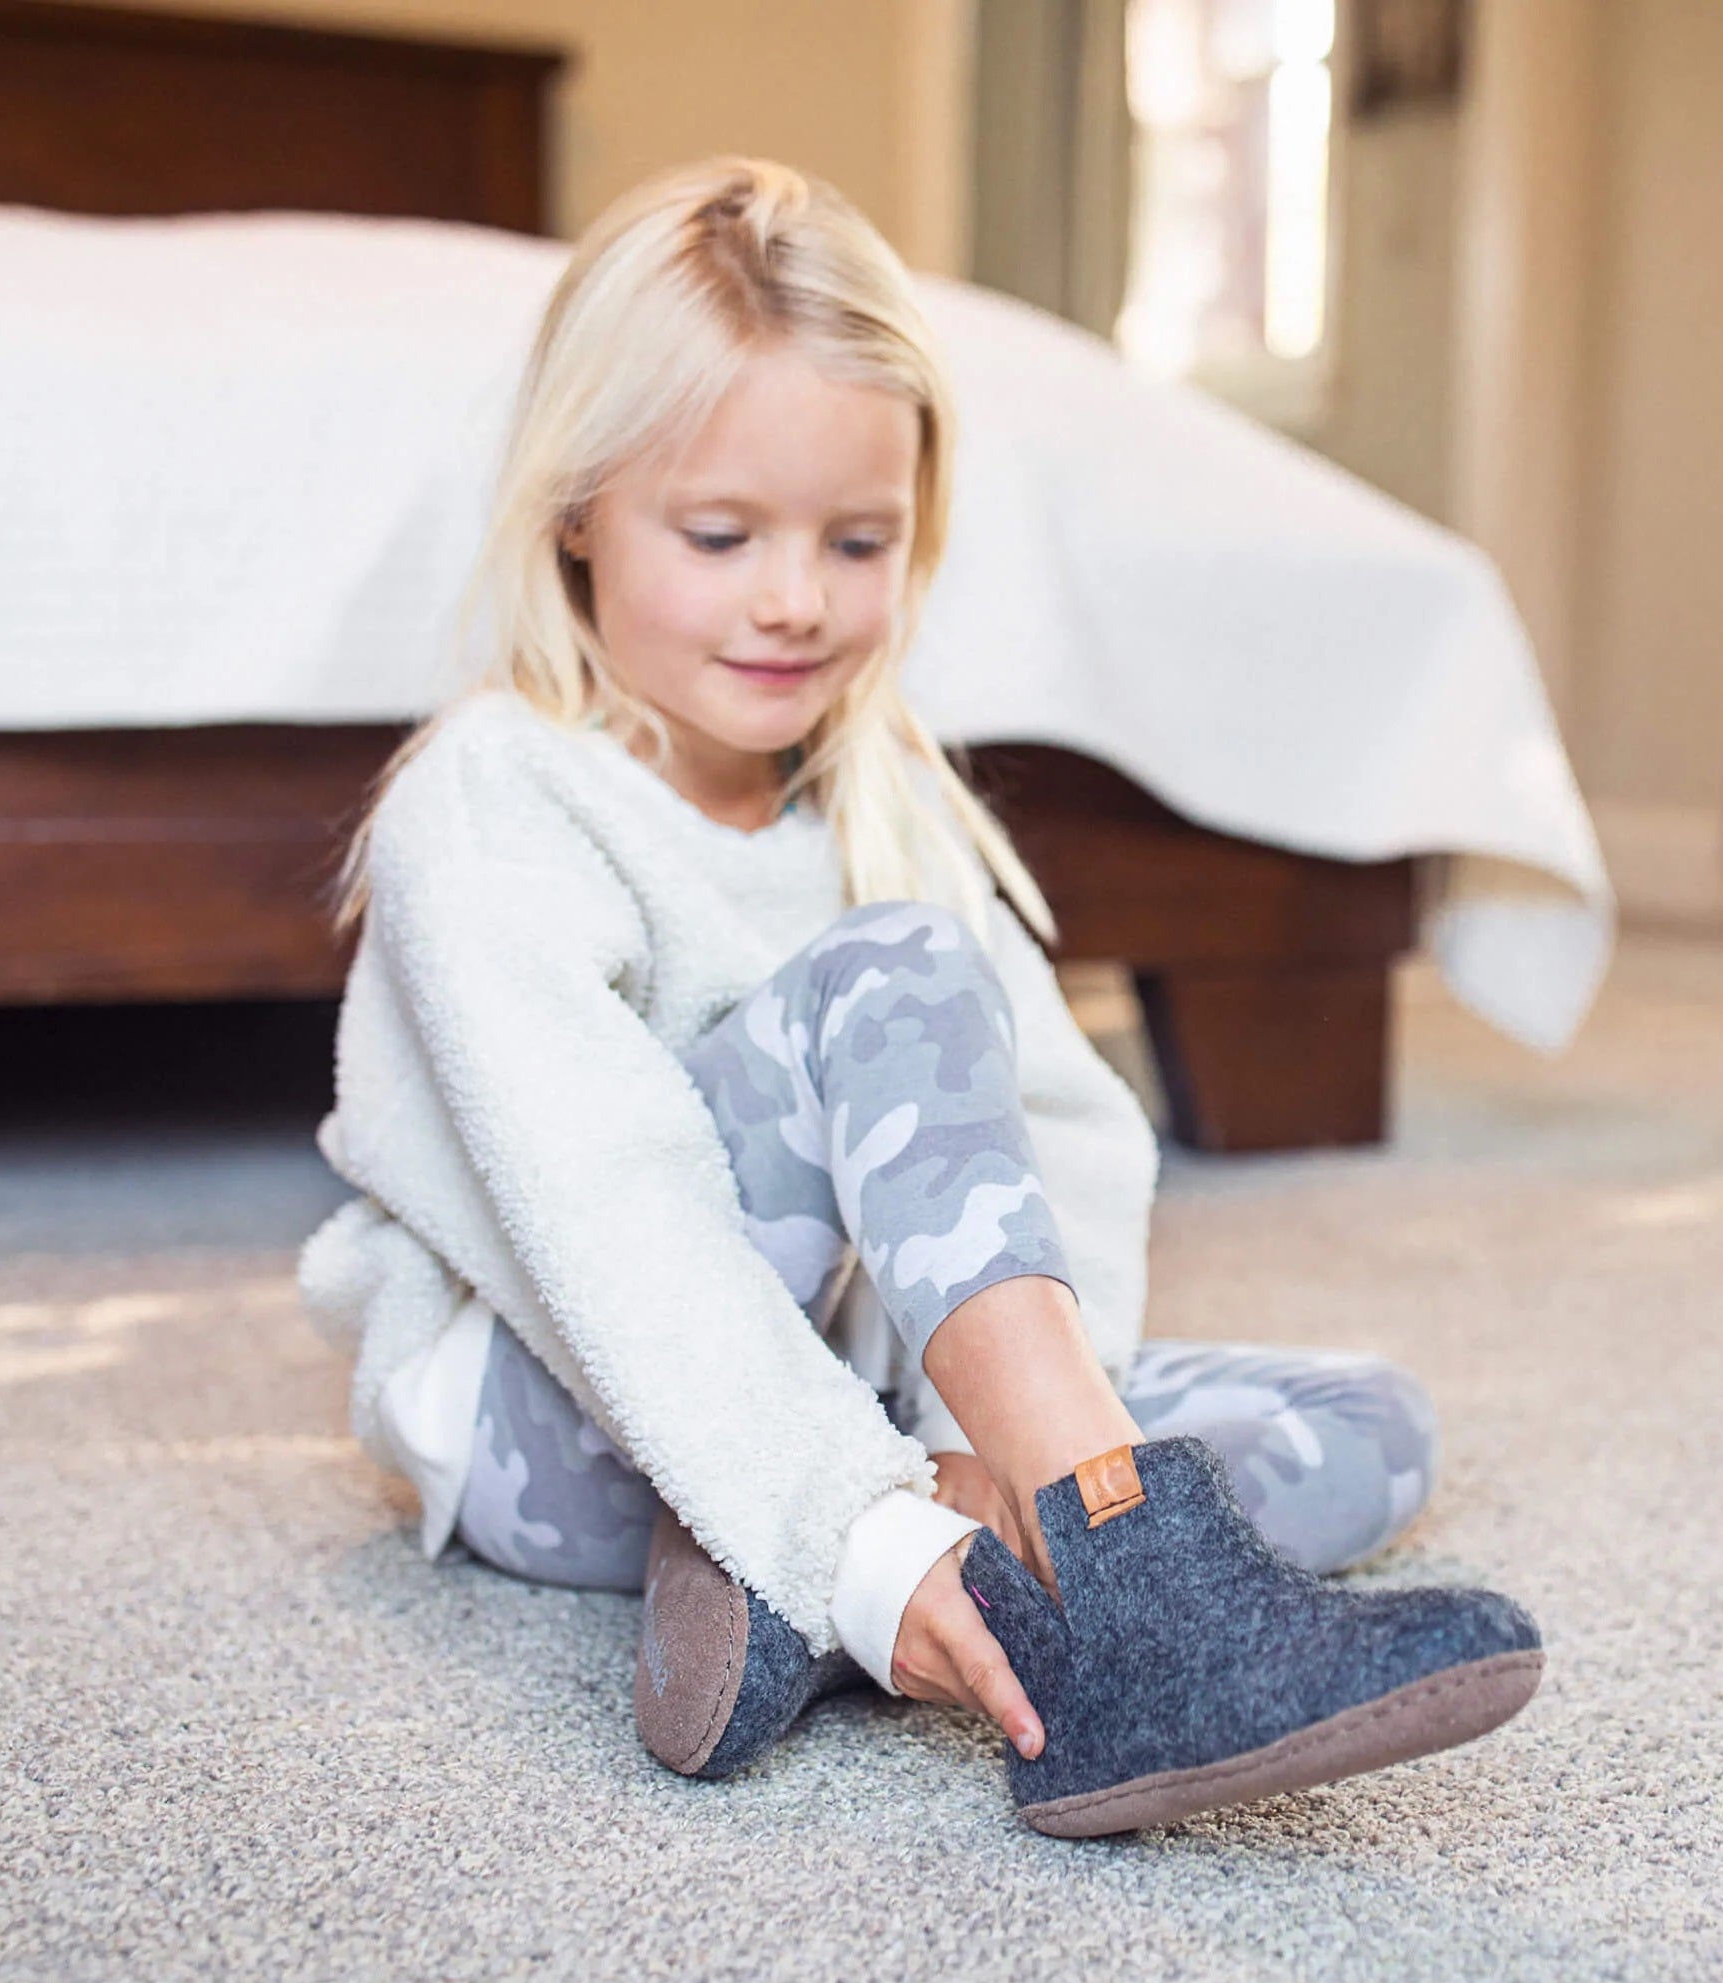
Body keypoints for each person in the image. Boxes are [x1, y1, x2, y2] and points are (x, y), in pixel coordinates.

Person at [296, 157, 1542, 1837]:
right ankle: (1020, 1564)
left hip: (837, 1403)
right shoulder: (497, 799)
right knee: (892, 979)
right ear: (578, 510)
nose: (797, 596)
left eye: (858, 540)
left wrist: (953, 1444)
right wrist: (864, 1517)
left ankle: (788, 1577)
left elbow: (1066, 1146)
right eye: (723, 535)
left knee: (1365, 1430)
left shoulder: (885, 797)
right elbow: (601, 1219)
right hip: (559, 1412)